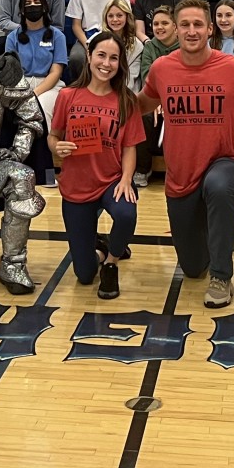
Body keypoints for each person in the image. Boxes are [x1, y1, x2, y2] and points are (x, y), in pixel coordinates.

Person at [137, 0, 234, 309]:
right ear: (175, 29)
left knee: (217, 187)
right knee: (191, 268)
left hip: (225, 162)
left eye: (198, 24)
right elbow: (143, 104)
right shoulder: (162, 68)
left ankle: (221, 276)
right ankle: (222, 237)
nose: (191, 31)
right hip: (182, 174)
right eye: (185, 25)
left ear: (210, 29)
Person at [49, 31, 143, 299]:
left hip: (111, 179)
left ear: (120, 63)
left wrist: (126, 179)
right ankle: (103, 248)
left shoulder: (127, 100)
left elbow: (129, 147)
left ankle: (111, 262)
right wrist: (56, 147)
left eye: (114, 58)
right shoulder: (68, 96)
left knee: (126, 213)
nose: (106, 63)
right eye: (101, 55)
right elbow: (53, 136)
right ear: (89, 56)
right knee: (84, 274)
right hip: (78, 183)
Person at [7, 0, 67, 128]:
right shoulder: (12, 37)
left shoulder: (57, 36)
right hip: (21, 85)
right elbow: (11, 73)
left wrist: (33, 94)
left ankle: (49, 147)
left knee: (40, 105)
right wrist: (24, 93)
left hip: (49, 85)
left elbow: (56, 72)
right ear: (21, 11)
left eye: (36, 3)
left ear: (45, 8)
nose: (32, 6)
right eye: (27, 4)